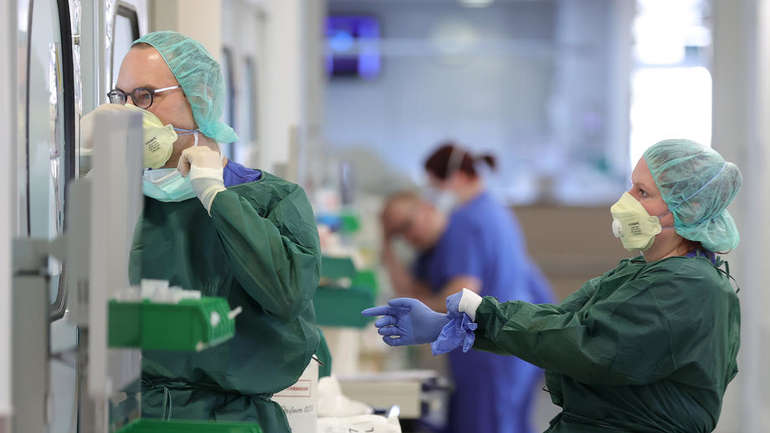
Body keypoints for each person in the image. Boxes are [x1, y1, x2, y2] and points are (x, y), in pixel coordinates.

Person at [365, 139, 742, 432]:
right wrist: (457, 325)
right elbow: (561, 321)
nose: (626, 201)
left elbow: (587, 345)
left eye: (643, 193)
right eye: (632, 187)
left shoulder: (688, 287)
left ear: (688, 209)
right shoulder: (639, 272)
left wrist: (479, 316)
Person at [114, 31, 321, 432]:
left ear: (200, 96)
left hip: (232, 421)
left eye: (144, 97)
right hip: (136, 417)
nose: (130, 114)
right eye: (120, 98)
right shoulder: (119, 202)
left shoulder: (272, 199)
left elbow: (288, 293)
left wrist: (215, 196)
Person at [380, 143, 554, 433]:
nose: (432, 195)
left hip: (491, 357)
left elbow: (461, 296)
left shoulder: (466, 222)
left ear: (457, 178)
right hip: (510, 348)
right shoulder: (492, 211)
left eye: (434, 186)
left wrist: (419, 313)